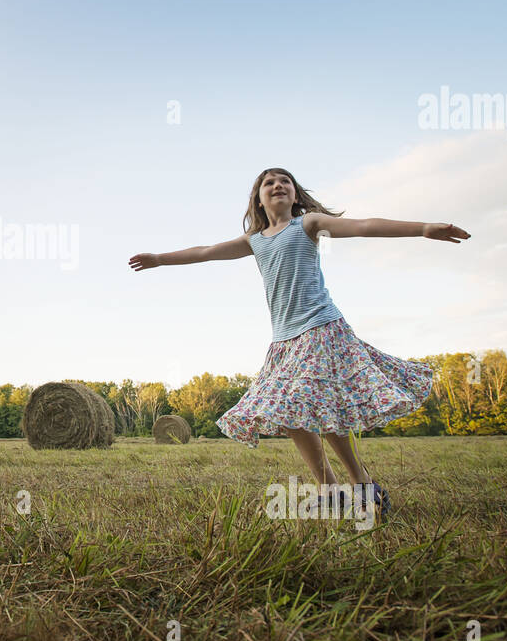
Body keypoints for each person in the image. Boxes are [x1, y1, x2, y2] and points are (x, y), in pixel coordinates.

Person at [128, 166, 471, 518]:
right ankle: (330, 489)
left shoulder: (306, 224)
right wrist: (159, 259)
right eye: (269, 183)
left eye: (285, 182)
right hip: (283, 341)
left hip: (321, 328)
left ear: (295, 194)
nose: (278, 186)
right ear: (258, 200)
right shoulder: (254, 240)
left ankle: (363, 484)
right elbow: (206, 251)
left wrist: (424, 229)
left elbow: (365, 225)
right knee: (289, 411)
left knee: (321, 407)